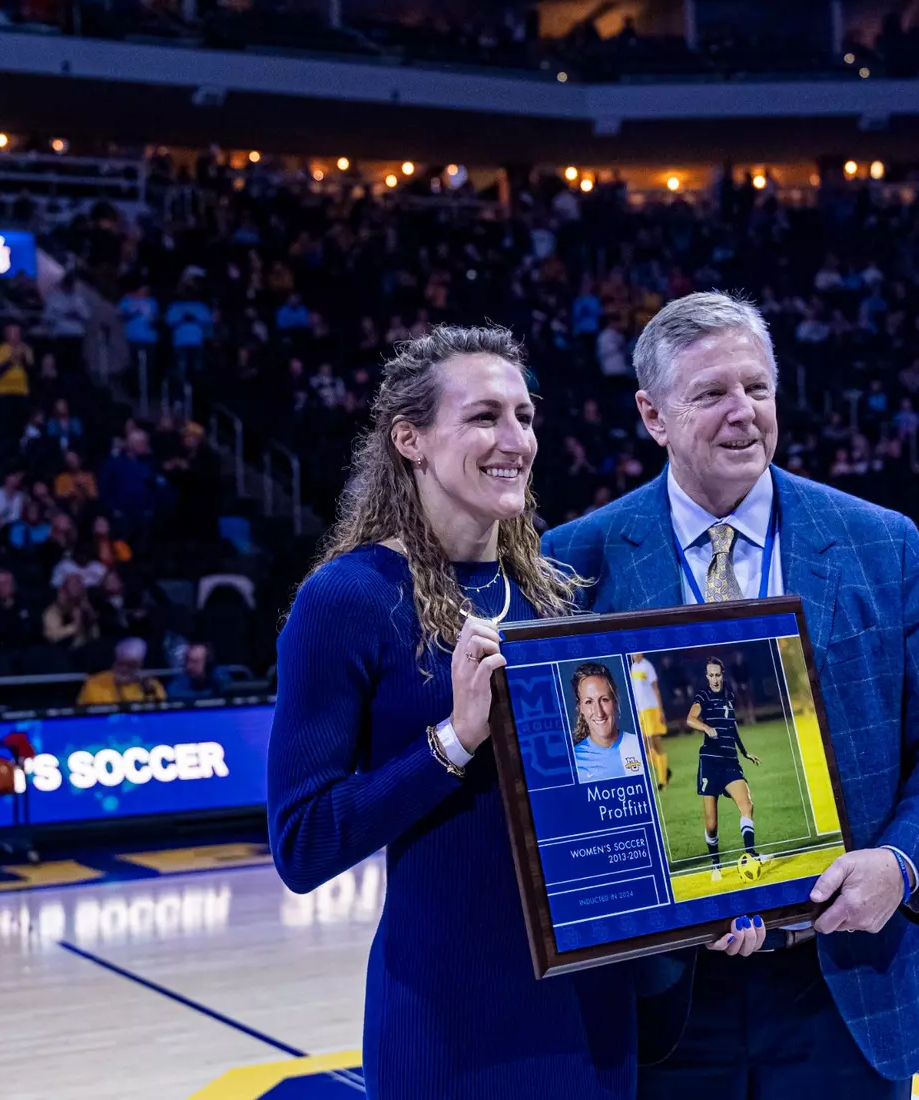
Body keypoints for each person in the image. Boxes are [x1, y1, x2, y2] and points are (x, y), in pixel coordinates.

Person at [542, 292, 919, 1098]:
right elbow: (570, 769)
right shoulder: (576, 559)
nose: (743, 412)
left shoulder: (879, 541)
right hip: (663, 997)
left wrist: (901, 865)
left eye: (757, 388)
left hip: (843, 982)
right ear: (652, 415)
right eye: (711, 393)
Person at [267, 325, 636, 1099]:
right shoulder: (347, 600)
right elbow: (302, 844)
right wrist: (454, 740)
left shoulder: (557, 597)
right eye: (484, 417)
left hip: (590, 1012)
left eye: (524, 417)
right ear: (411, 440)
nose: (516, 440)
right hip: (445, 1022)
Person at [686, 656, 762, 882]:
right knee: (711, 825)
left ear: (723, 675)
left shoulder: (729, 696)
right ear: (707, 676)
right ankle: (716, 863)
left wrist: (744, 751)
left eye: (718, 675)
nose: (715, 679)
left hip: (730, 761)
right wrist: (706, 728)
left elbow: (732, 725)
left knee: (747, 805)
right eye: (711, 675)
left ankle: (750, 855)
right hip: (710, 764)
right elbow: (690, 719)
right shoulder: (703, 696)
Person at [569, 662, 644, 783]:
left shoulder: (640, 746)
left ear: (615, 701)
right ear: (580, 707)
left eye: (604, 700)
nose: (599, 713)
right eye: (589, 702)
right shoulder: (572, 763)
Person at [77, 637, 166, 705]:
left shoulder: (152, 687)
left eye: (131, 665)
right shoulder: (94, 684)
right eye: (120, 663)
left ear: (140, 666)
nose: (124, 669)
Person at [628, 652, 670, 790]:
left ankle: (662, 780)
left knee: (655, 742)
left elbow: (656, 689)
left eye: (637, 652)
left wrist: (660, 710)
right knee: (645, 745)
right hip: (641, 711)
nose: (635, 655)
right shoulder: (633, 667)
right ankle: (664, 769)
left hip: (651, 709)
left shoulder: (647, 666)